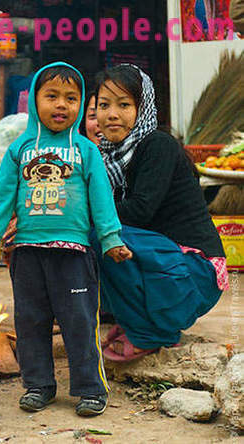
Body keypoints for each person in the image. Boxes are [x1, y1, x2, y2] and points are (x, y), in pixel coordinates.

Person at [0, 62, 132, 417]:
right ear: (33, 101)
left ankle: (91, 389)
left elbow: (101, 199)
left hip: (73, 253)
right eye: (52, 97)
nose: (62, 105)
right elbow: (2, 196)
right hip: (28, 252)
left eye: (71, 98)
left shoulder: (86, 151)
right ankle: (38, 385)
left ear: (81, 105)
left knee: (79, 320)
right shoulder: (19, 149)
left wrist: (111, 239)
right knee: (30, 322)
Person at [93, 64, 228, 362]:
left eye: (124, 104)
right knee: (92, 234)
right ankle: (139, 322)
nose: (112, 114)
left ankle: (152, 333)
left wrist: (85, 213)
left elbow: (139, 211)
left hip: (196, 271)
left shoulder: (157, 146)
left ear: (144, 109)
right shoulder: (109, 158)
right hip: (168, 263)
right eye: (104, 105)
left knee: (102, 233)